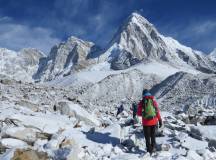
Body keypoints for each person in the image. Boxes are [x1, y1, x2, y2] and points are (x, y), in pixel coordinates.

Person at [137, 89, 162, 154]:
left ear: (143, 95)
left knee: (147, 137)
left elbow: (139, 113)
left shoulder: (141, 102)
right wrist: (160, 120)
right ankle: (154, 148)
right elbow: (157, 112)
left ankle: (149, 150)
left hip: (146, 123)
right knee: (153, 136)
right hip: (154, 122)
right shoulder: (153, 101)